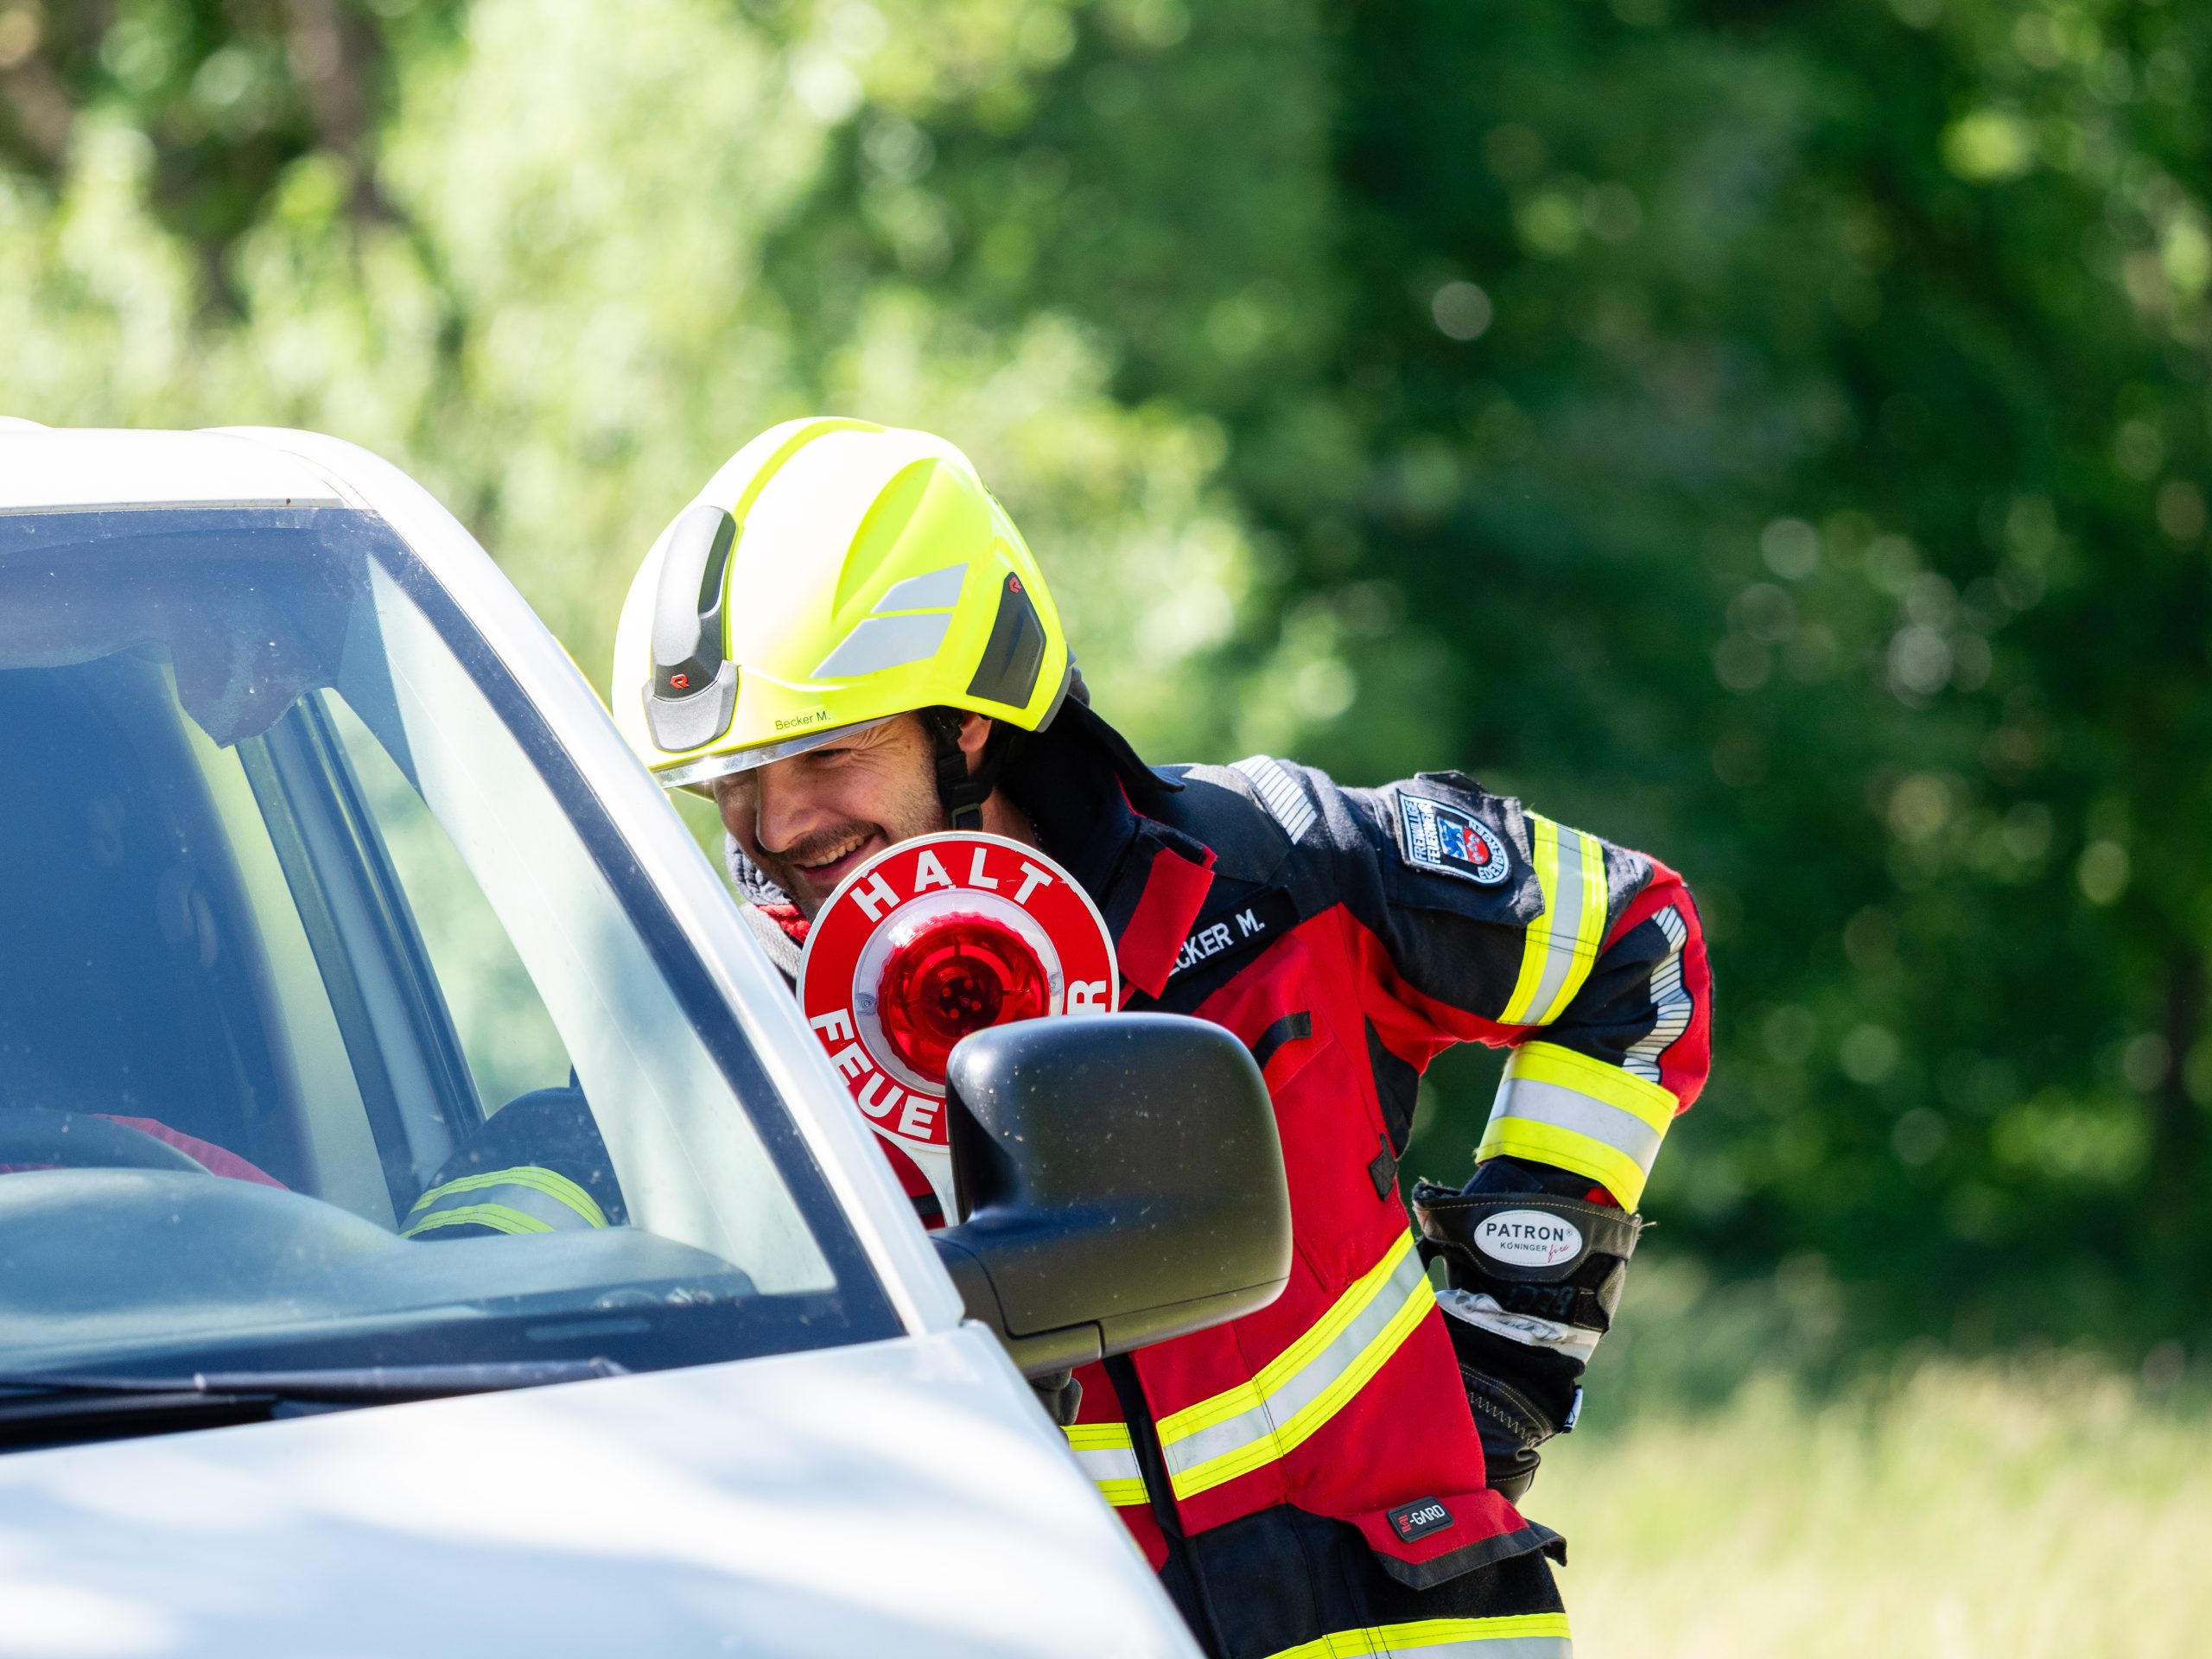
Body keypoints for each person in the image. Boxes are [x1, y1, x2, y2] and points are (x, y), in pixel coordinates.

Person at [608, 417, 1712, 1659]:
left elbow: (1637, 943)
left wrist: (1512, 1346)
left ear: (968, 724)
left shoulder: (1281, 873)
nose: (775, 825)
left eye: (825, 750)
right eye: (727, 782)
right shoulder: (730, 1032)